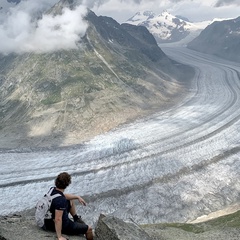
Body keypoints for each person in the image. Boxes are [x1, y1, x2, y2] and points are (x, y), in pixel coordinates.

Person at [44, 172, 93, 240]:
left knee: (70, 199)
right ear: (67, 184)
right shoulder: (60, 201)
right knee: (89, 229)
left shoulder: (52, 189)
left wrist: (77, 197)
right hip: (63, 225)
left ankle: (76, 218)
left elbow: (63, 196)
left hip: (47, 220)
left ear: (56, 181)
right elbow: (58, 219)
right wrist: (59, 237)